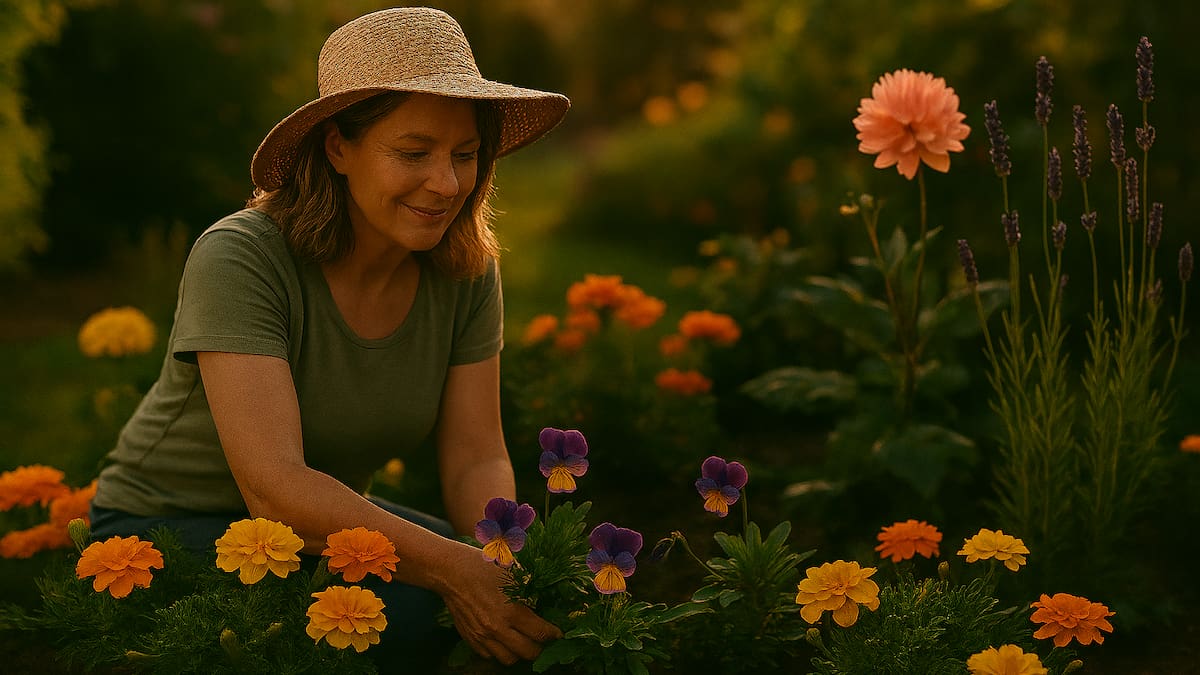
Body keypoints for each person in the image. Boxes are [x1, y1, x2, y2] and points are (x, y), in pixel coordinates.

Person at [88, 6, 570, 667]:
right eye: (414, 152)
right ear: (337, 146)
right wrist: (456, 574)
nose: (448, 184)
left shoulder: (465, 269)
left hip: (324, 533)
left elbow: (475, 456)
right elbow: (274, 485)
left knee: (537, 604)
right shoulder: (243, 258)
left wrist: (503, 563)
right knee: (421, 621)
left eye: (465, 155)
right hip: (162, 531)